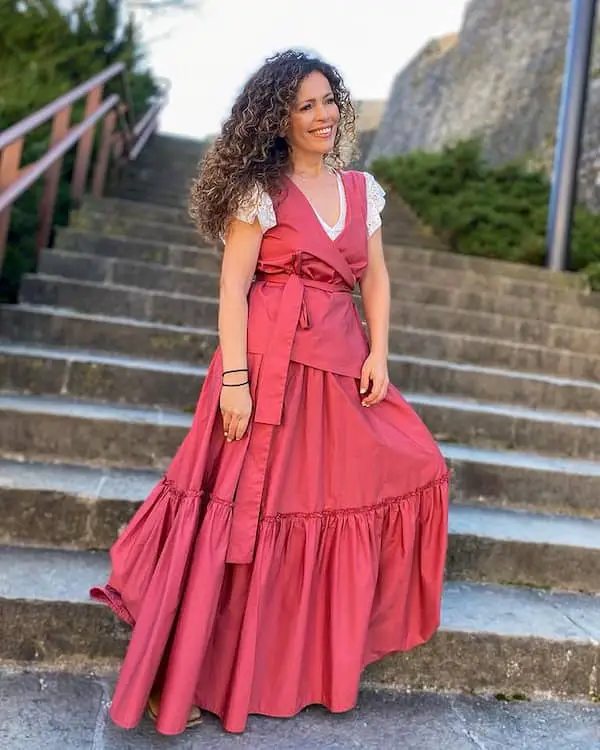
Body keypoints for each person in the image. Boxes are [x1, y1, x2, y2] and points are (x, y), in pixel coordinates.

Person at [90, 48, 450, 736]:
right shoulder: (261, 191)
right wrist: (235, 381)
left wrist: (380, 350)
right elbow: (233, 288)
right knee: (238, 521)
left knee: (405, 470)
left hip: (340, 366)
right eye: (304, 104)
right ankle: (184, 678)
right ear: (278, 118)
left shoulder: (360, 189)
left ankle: (295, 663)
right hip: (265, 365)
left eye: (328, 100)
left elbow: (373, 278)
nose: (322, 115)